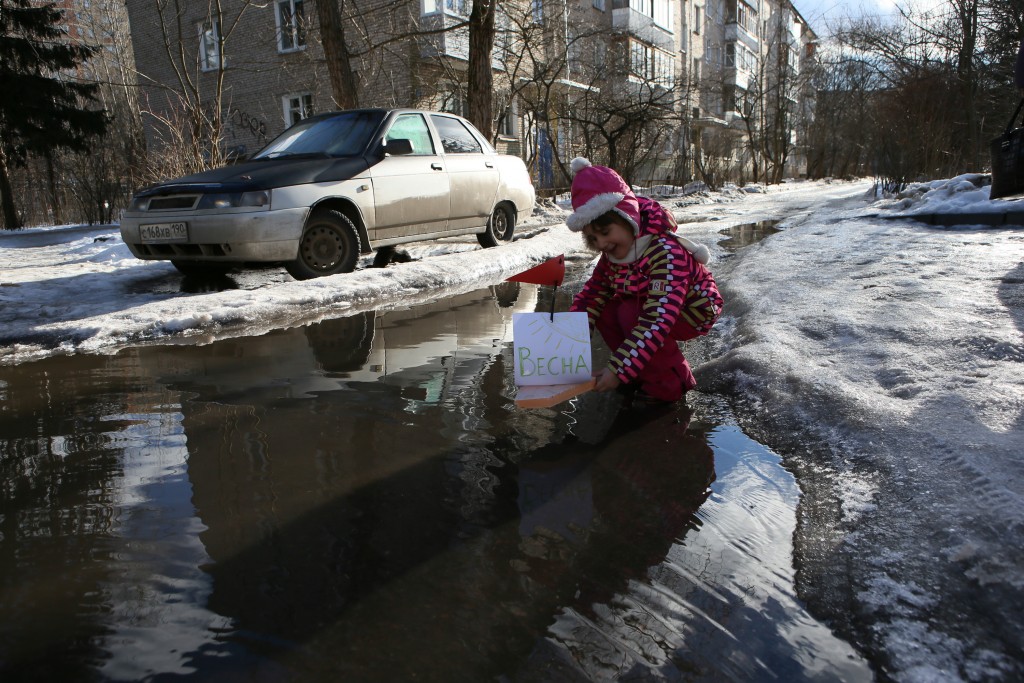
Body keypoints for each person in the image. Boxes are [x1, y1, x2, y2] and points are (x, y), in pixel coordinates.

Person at [566, 157, 723, 404]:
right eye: (593, 239)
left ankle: (670, 384)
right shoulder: (613, 255)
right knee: (607, 309)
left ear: (626, 217)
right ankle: (639, 372)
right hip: (646, 303)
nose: (602, 244)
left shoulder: (666, 253)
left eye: (605, 232)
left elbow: (656, 320)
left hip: (692, 309)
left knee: (631, 314)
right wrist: (568, 341)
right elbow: (592, 294)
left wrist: (617, 370)